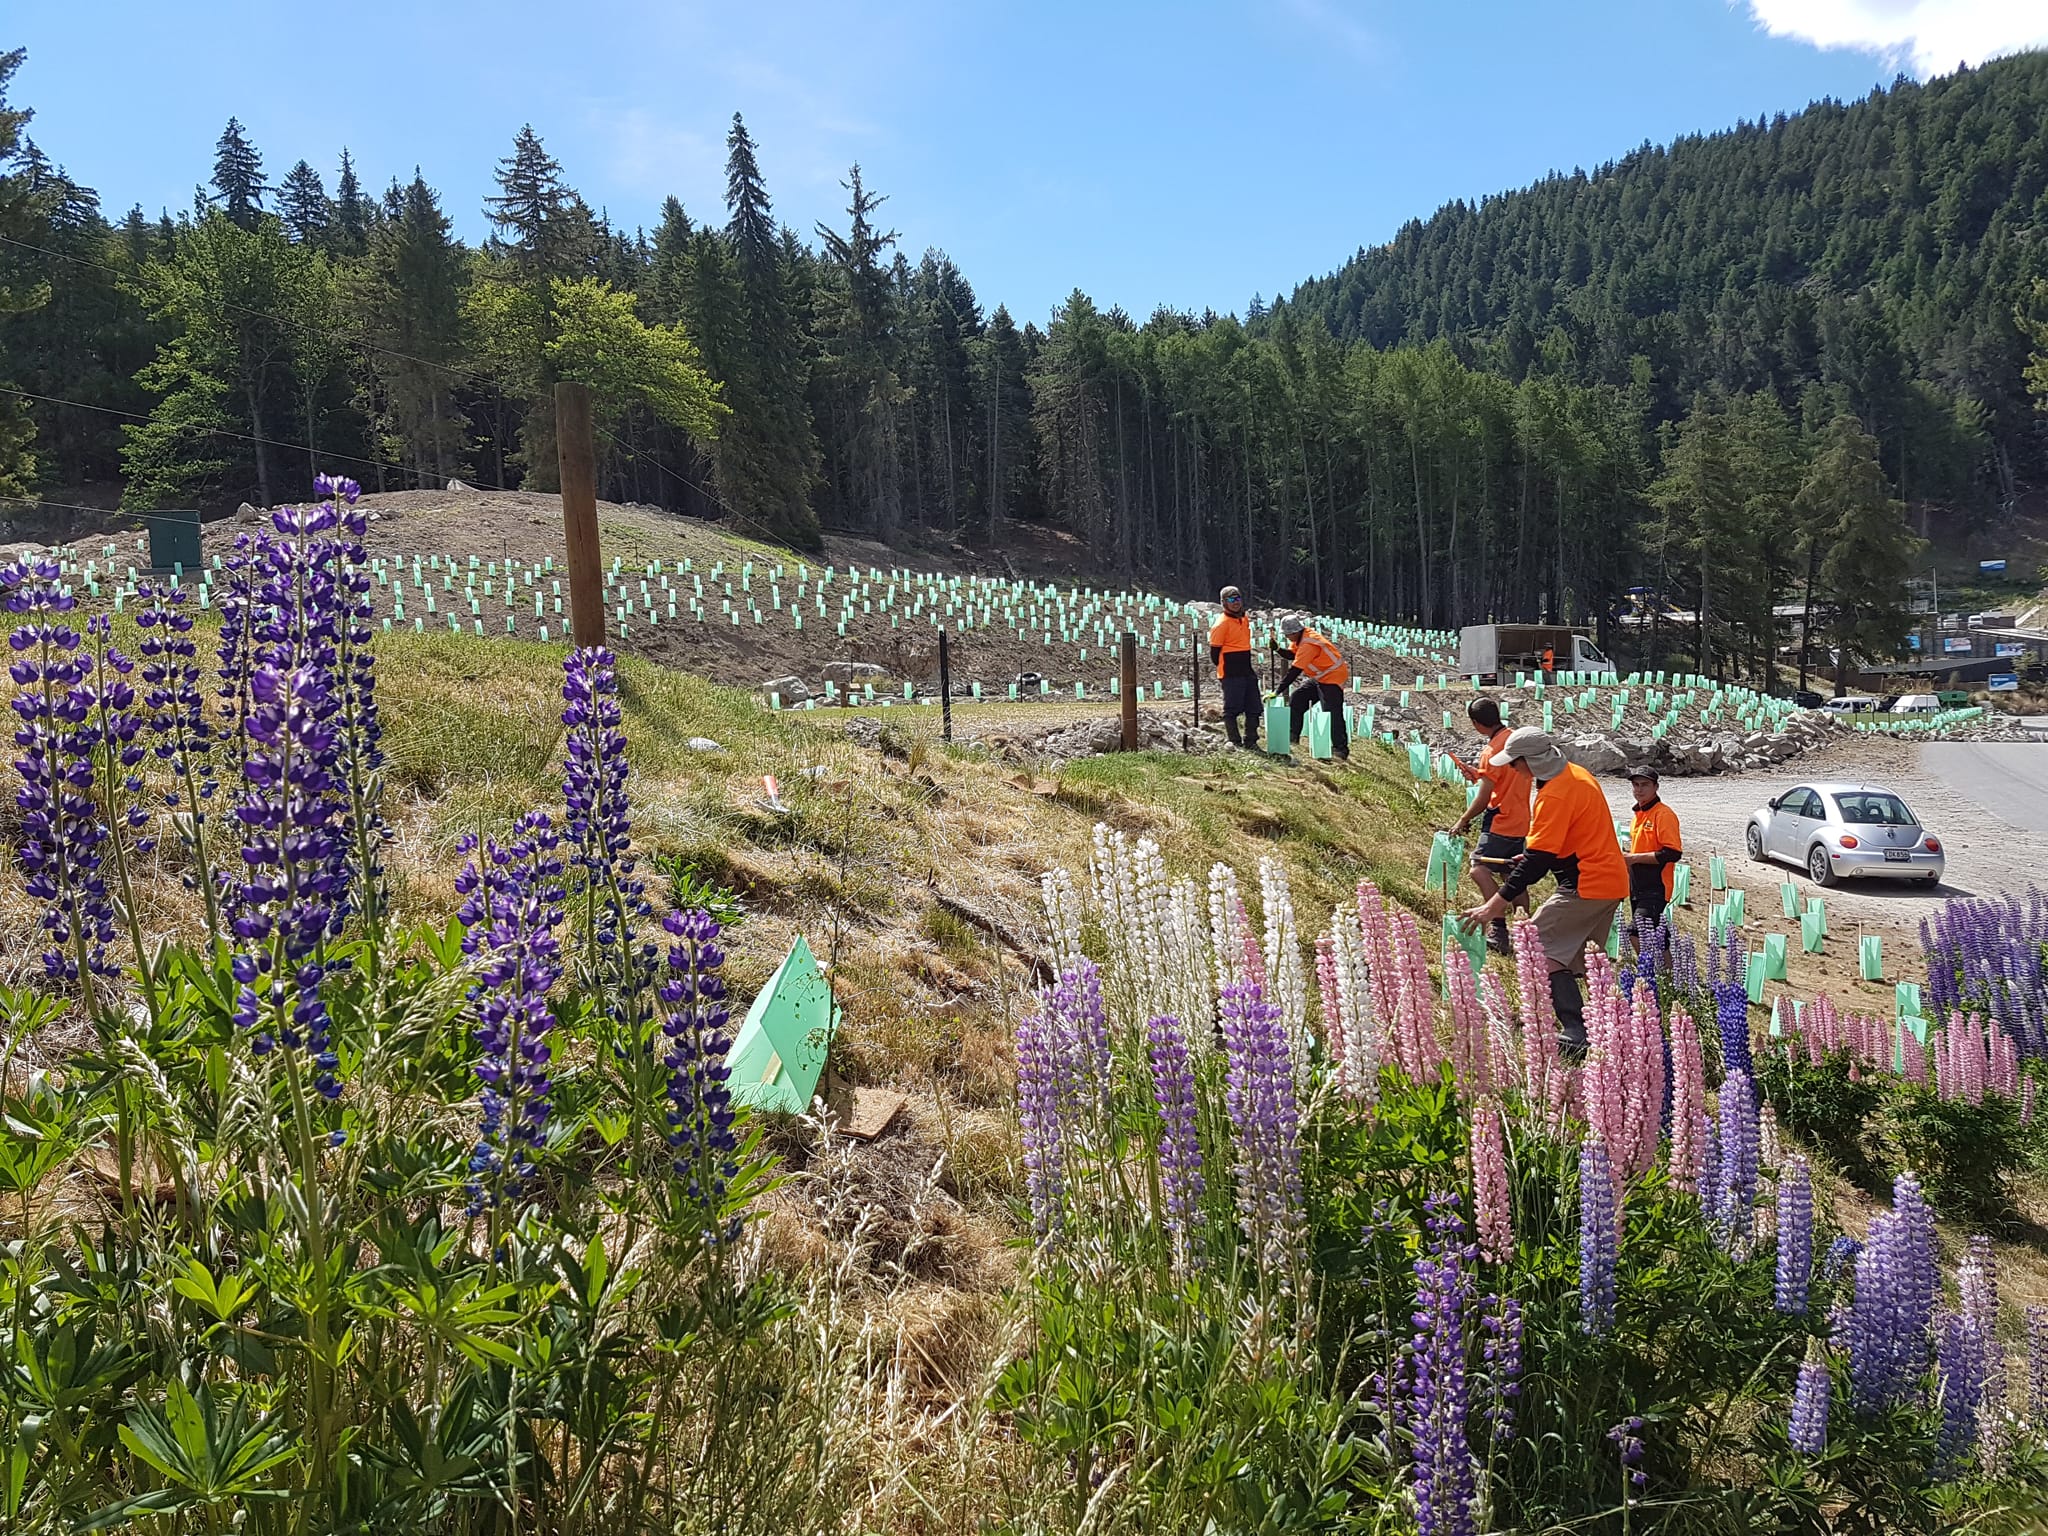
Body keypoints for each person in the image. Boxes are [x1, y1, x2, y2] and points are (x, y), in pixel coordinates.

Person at [1461, 727, 1628, 1055]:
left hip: (1588, 884)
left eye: (1515, 763)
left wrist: (1494, 905)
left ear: (1533, 761)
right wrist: (1540, 855)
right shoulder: (1575, 775)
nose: (1511, 769)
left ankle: (1577, 1032)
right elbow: (1567, 838)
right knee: (1577, 959)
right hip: (1608, 880)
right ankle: (1602, 1031)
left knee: (1534, 944)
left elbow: (1537, 863)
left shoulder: (1555, 794)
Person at [1451, 697, 1534, 952]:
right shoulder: (1515, 739)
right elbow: (1503, 779)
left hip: (1500, 821)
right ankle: (1526, 933)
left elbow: (1484, 797)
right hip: (1522, 819)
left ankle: (1498, 929)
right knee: (1513, 874)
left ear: (1476, 724)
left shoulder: (1491, 751)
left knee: (1478, 868)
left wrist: (1463, 820)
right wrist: (1478, 775)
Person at [1272, 615, 1350, 759]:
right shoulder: (1300, 639)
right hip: (1321, 676)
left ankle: (1340, 749)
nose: (1287, 637)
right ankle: (1292, 736)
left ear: (1295, 632)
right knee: (1297, 700)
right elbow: (1292, 655)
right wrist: (1277, 649)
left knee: (1331, 712)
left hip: (1333, 676)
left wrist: (1277, 691)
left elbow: (1294, 671)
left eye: (1288, 635)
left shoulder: (1308, 644)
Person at [1625, 767, 1683, 932]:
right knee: (1657, 938)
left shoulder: (1663, 814)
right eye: (1635, 785)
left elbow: (1673, 853)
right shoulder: (1639, 815)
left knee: (1637, 932)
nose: (1639, 789)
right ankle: (1667, 959)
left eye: (1645, 784)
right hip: (1637, 885)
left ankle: (1646, 959)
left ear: (1656, 787)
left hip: (1656, 886)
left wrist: (1633, 858)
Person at [1208, 586, 1259, 749]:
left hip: (1246, 669)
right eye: (1231, 600)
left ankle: (1251, 741)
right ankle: (1235, 741)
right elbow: (1214, 653)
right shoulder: (1221, 624)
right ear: (1224, 603)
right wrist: (1227, 667)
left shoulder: (1244, 619)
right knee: (1232, 708)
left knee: (1254, 707)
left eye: (1237, 599)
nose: (1235, 603)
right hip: (1230, 672)